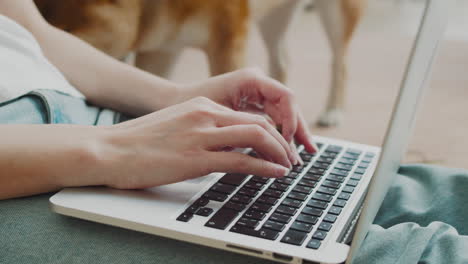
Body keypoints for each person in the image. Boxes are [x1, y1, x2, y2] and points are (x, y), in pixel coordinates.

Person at [0, 1, 318, 200]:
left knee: (348, 198)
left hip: (82, 118)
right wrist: (118, 147)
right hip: (26, 171)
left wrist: (174, 96)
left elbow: (28, 32)